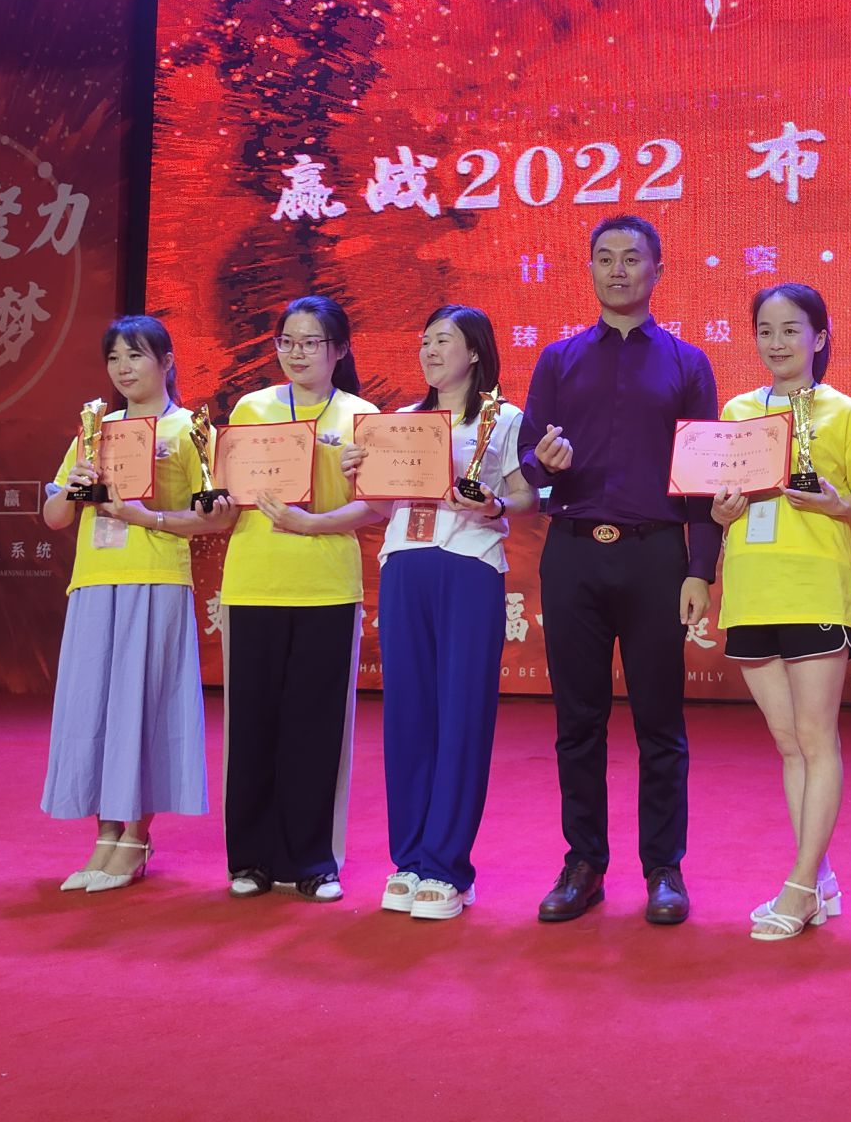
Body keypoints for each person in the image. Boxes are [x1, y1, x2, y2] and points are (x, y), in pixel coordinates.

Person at [519, 214, 719, 925]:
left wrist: (701, 570)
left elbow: (703, 477)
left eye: (631, 258)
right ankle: (584, 864)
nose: (617, 270)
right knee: (578, 721)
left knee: (660, 722)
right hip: (573, 551)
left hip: (655, 555)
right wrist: (545, 463)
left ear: (657, 269)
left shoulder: (688, 363)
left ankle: (664, 868)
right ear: (591, 270)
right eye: (604, 258)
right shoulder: (558, 359)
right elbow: (528, 457)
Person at [339, 305, 534, 921]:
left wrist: (494, 506)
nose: (428, 351)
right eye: (424, 341)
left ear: (474, 351)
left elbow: (527, 496)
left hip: (469, 565)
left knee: (461, 716)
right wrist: (357, 473)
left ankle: (448, 866)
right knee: (408, 715)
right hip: (405, 566)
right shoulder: (398, 422)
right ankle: (409, 859)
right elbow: (380, 505)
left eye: (442, 341)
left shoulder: (504, 418)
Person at [709, 283, 851, 940]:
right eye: (765, 330)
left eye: (790, 330)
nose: (777, 342)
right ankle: (821, 878)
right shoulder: (738, 411)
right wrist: (721, 508)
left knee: (815, 738)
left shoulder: (847, 412)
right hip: (751, 587)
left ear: (820, 337)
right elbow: (720, 494)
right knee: (787, 743)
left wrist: (837, 504)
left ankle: (801, 885)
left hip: (813, 587)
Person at [208, 295, 381, 903]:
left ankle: (313, 861)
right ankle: (250, 859)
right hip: (253, 580)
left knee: (315, 727)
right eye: (287, 341)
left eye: (311, 342)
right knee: (251, 725)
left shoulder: (361, 415)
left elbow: (378, 505)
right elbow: (225, 493)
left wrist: (317, 523)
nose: (297, 353)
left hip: (326, 586)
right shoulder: (250, 408)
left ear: (340, 349)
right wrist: (214, 499)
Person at [40, 315, 214, 893]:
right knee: (94, 710)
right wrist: (74, 485)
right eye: (114, 358)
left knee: (143, 709)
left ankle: (136, 837)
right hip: (94, 582)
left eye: (136, 355)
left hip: (155, 580)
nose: (123, 368)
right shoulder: (98, 429)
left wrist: (148, 516)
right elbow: (55, 517)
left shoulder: (188, 429)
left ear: (166, 362)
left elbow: (213, 518)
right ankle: (105, 836)